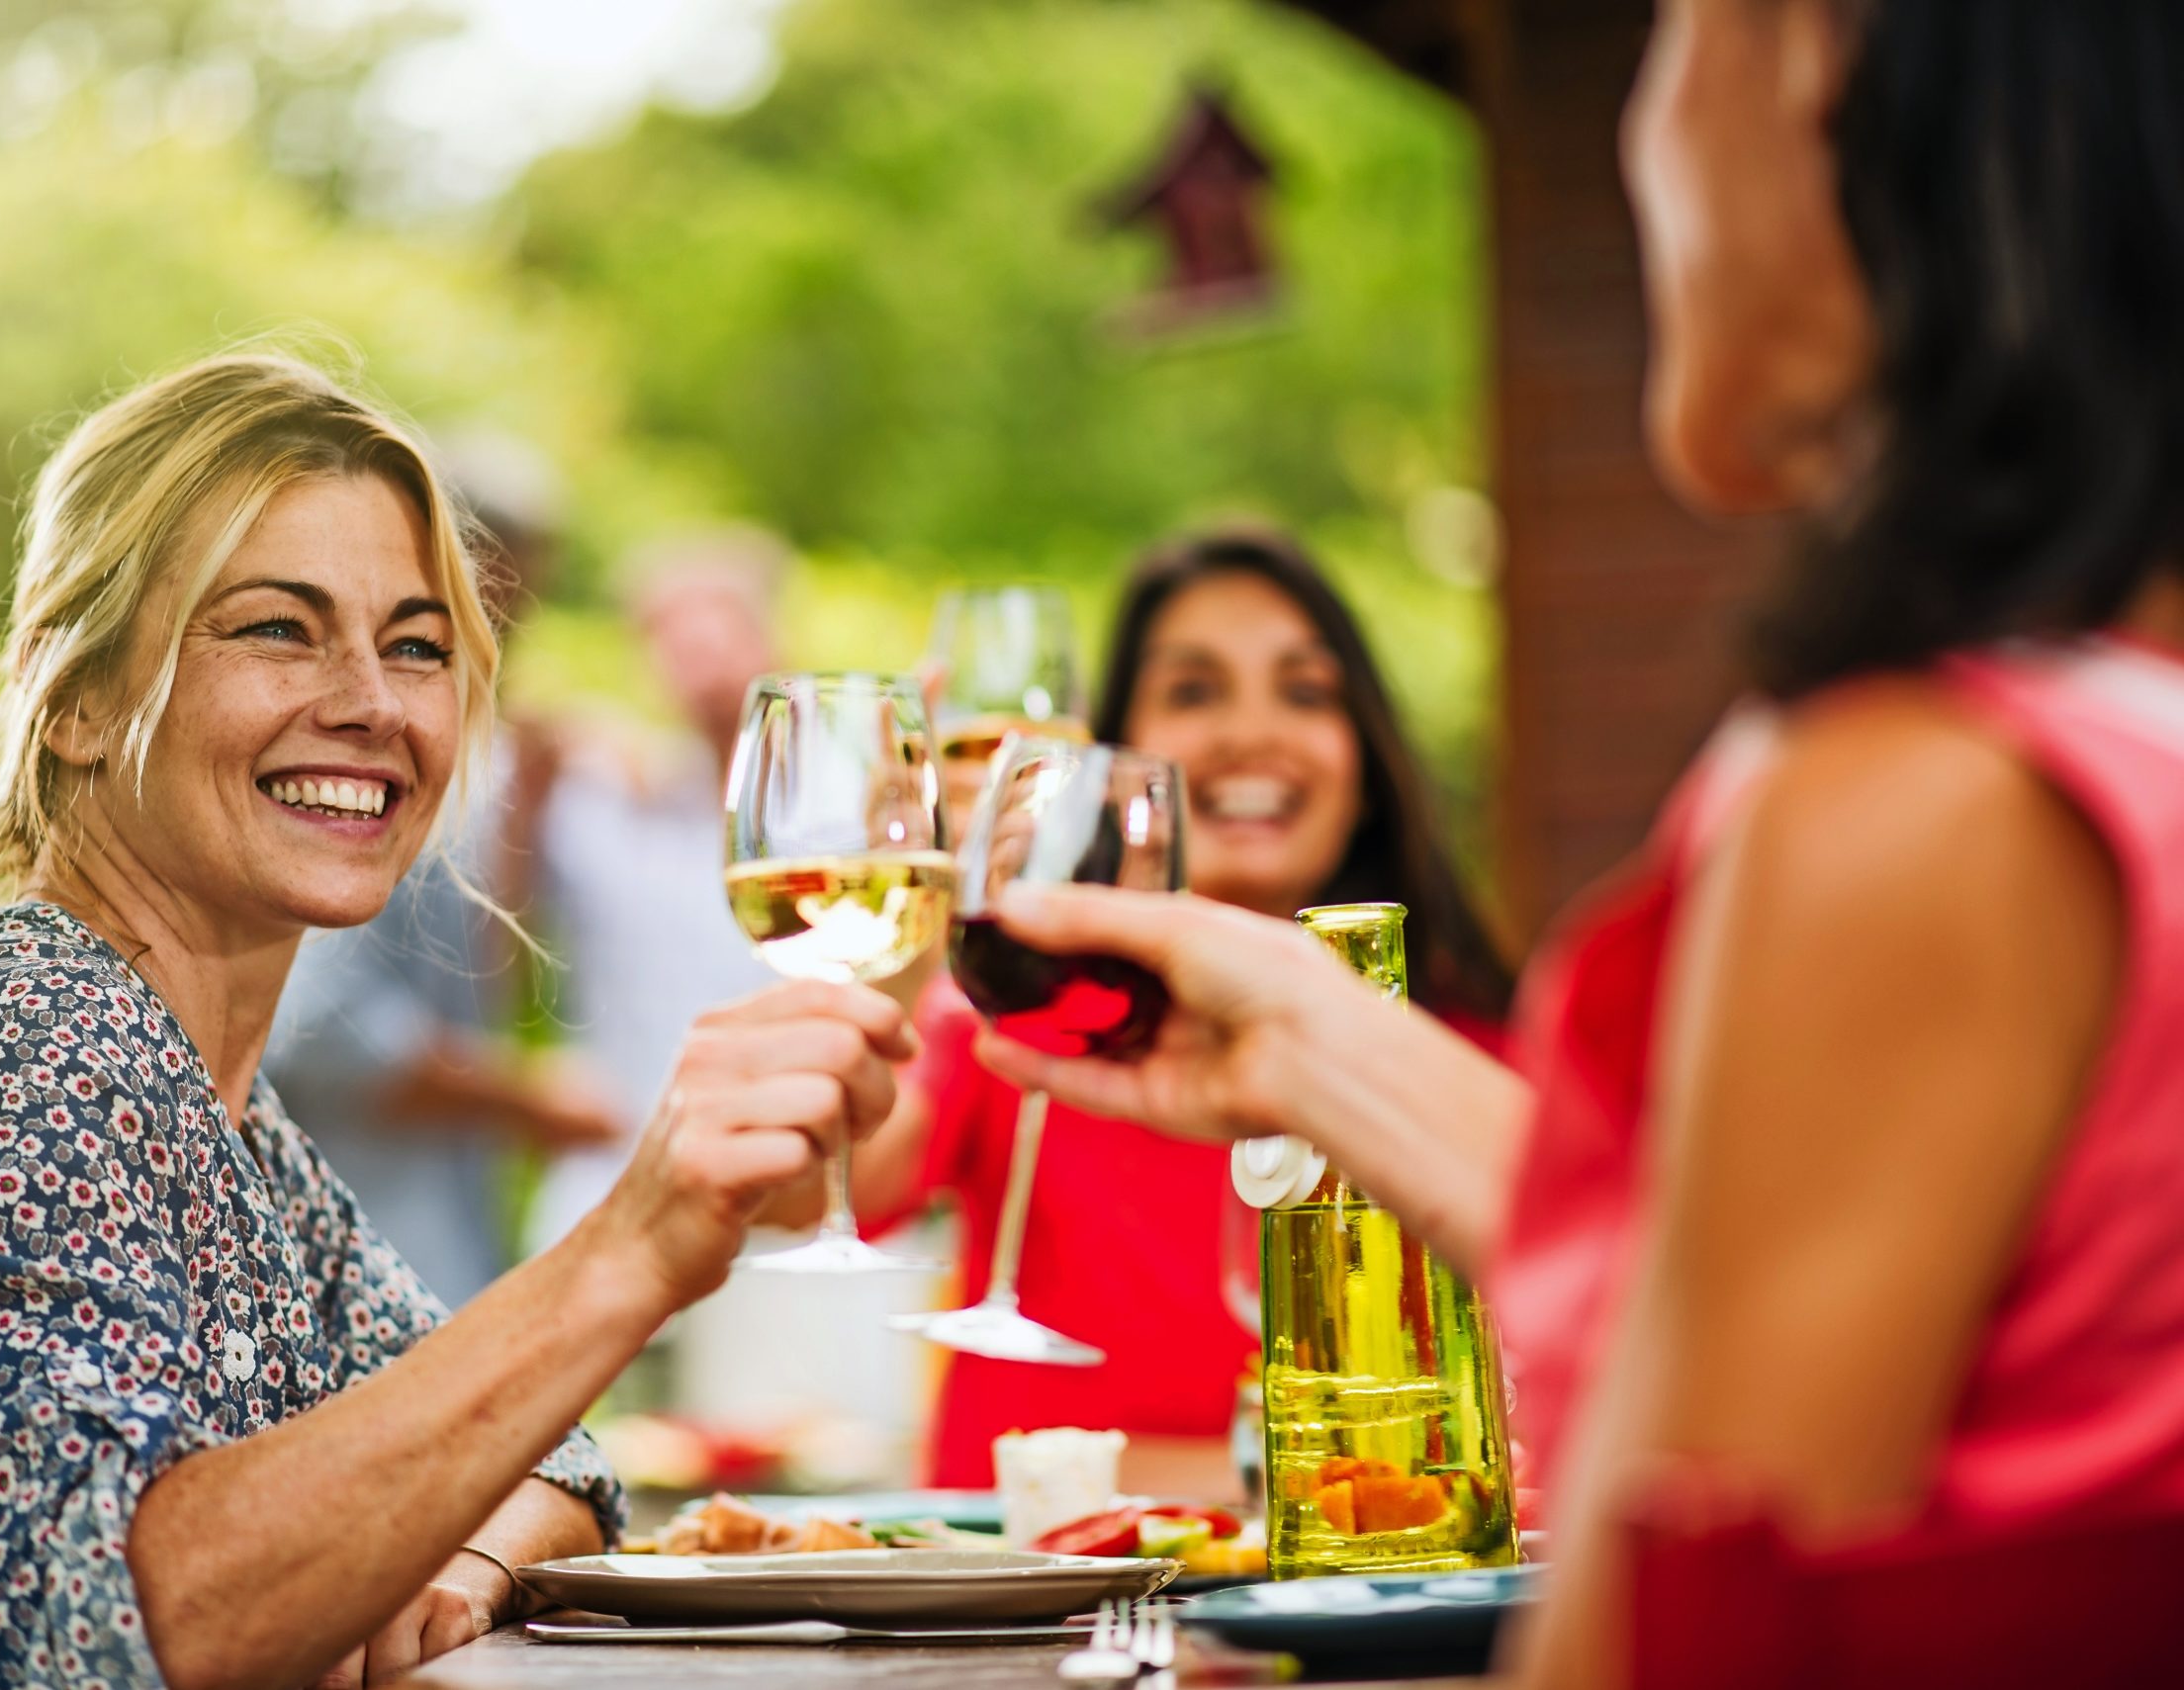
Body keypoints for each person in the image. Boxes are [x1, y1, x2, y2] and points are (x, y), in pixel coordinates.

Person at [967, 2, 2184, 1683]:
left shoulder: (1928, 798)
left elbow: (1685, 1615)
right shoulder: (2118, 733)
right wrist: (1311, 1034)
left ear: (1807, 59)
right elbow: (1737, 1312)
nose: (1647, 140)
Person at [0, 353, 908, 1687]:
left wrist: (452, 1560)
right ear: (74, 700)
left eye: (416, 646)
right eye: (276, 628)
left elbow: (557, 1454)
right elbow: (130, 1629)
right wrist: (635, 1244)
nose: (372, 702)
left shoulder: (234, 1130)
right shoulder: (10, 1049)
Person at [852, 528, 1513, 1489]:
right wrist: (904, 917)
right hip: (1038, 1623)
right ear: (1115, 765)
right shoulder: (1032, 1020)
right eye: (1194, 691)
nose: (1253, 733)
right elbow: (821, 1185)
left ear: (1364, 760)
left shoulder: (1468, 1057)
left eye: (1305, 691)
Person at [262, 436, 623, 1309]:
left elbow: (469, 969)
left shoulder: (488, 756)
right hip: (357, 1256)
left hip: (458, 1242)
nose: (514, 615)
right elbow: (321, 1030)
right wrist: (522, 1099)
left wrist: (525, 821)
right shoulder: (351, 750)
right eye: (503, 583)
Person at [511, 531, 786, 1255]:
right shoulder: (608, 805)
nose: (700, 662)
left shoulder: (838, 824)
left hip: (780, 1209)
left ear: (770, 637)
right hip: (610, 1192)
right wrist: (533, 786)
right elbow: (498, 943)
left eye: (717, 633)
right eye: (674, 641)